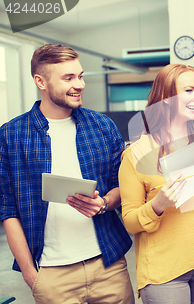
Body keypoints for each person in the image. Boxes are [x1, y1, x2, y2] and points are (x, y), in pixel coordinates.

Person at [0, 44, 134, 303]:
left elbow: (124, 185)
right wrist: (30, 274)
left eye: (80, 76)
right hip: (51, 273)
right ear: (41, 81)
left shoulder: (102, 126)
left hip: (109, 265)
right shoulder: (11, 135)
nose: (80, 84)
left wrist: (105, 203)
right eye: (68, 78)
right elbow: (8, 210)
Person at [119, 64, 194, 304]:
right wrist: (158, 204)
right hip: (166, 270)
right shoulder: (136, 153)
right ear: (166, 98)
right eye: (188, 91)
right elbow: (129, 221)